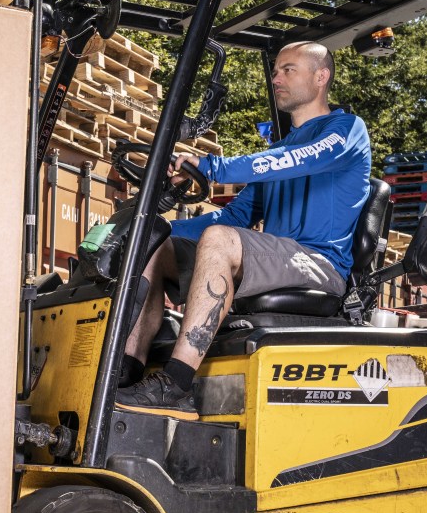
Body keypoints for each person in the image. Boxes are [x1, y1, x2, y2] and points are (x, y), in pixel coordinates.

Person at [114, 40, 371, 420]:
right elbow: (235, 216)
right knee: (156, 245)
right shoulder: (283, 148)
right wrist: (158, 228)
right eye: (276, 70)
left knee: (219, 242)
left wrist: (213, 167)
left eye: (288, 70)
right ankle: (126, 371)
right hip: (277, 258)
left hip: (319, 262)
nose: (277, 78)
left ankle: (176, 384)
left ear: (321, 77)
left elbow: (297, 159)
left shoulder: (345, 130)